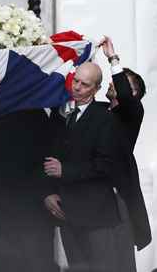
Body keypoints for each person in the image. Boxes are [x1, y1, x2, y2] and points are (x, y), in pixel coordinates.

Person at [42, 62, 120, 272]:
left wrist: (65, 170)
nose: (76, 87)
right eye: (75, 81)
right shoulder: (59, 114)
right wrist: (48, 192)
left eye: (84, 85)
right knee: (76, 268)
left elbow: (106, 165)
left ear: (96, 89)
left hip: (96, 214)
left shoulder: (105, 117)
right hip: (66, 211)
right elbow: (47, 156)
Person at [0, 109, 57, 272]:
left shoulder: (39, 118)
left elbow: (48, 158)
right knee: (7, 261)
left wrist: (46, 192)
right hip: (1, 207)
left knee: (37, 260)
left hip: (33, 208)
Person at [101, 36, 151, 270]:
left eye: (127, 86)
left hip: (117, 195)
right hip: (89, 195)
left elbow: (126, 97)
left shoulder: (132, 113)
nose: (116, 84)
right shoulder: (96, 111)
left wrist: (113, 58)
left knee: (119, 258)